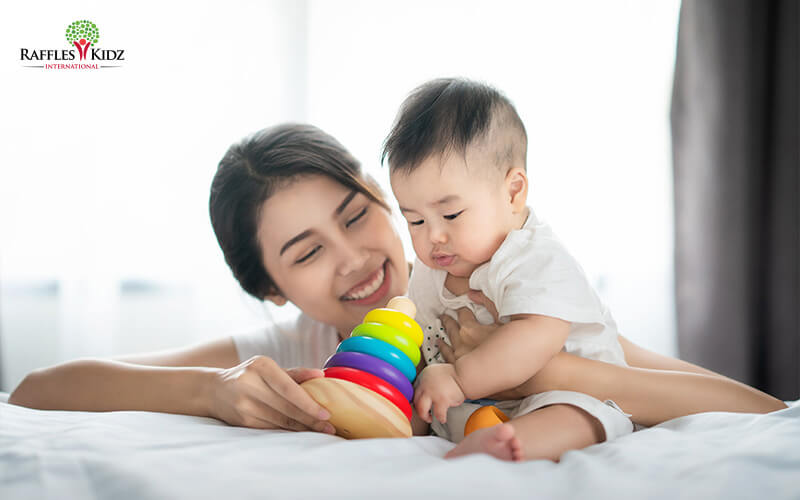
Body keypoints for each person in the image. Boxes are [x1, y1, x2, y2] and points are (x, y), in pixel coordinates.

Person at [8, 123, 784, 460]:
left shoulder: (479, 289)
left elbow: (704, 397)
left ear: (383, 196)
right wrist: (213, 392)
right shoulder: (297, 350)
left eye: (357, 215)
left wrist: (548, 373)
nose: (355, 260)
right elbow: (39, 390)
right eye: (308, 253)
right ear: (271, 290)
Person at [382, 78, 787, 461]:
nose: (432, 236)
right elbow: (424, 337)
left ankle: (515, 444)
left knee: (577, 416)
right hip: (481, 400)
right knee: (434, 412)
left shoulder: (530, 255)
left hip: (574, 386)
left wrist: (460, 378)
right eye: (414, 220)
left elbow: (539, 334)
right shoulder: (430, 272)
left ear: (513, 192)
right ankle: (482, 433)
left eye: (451, 214)